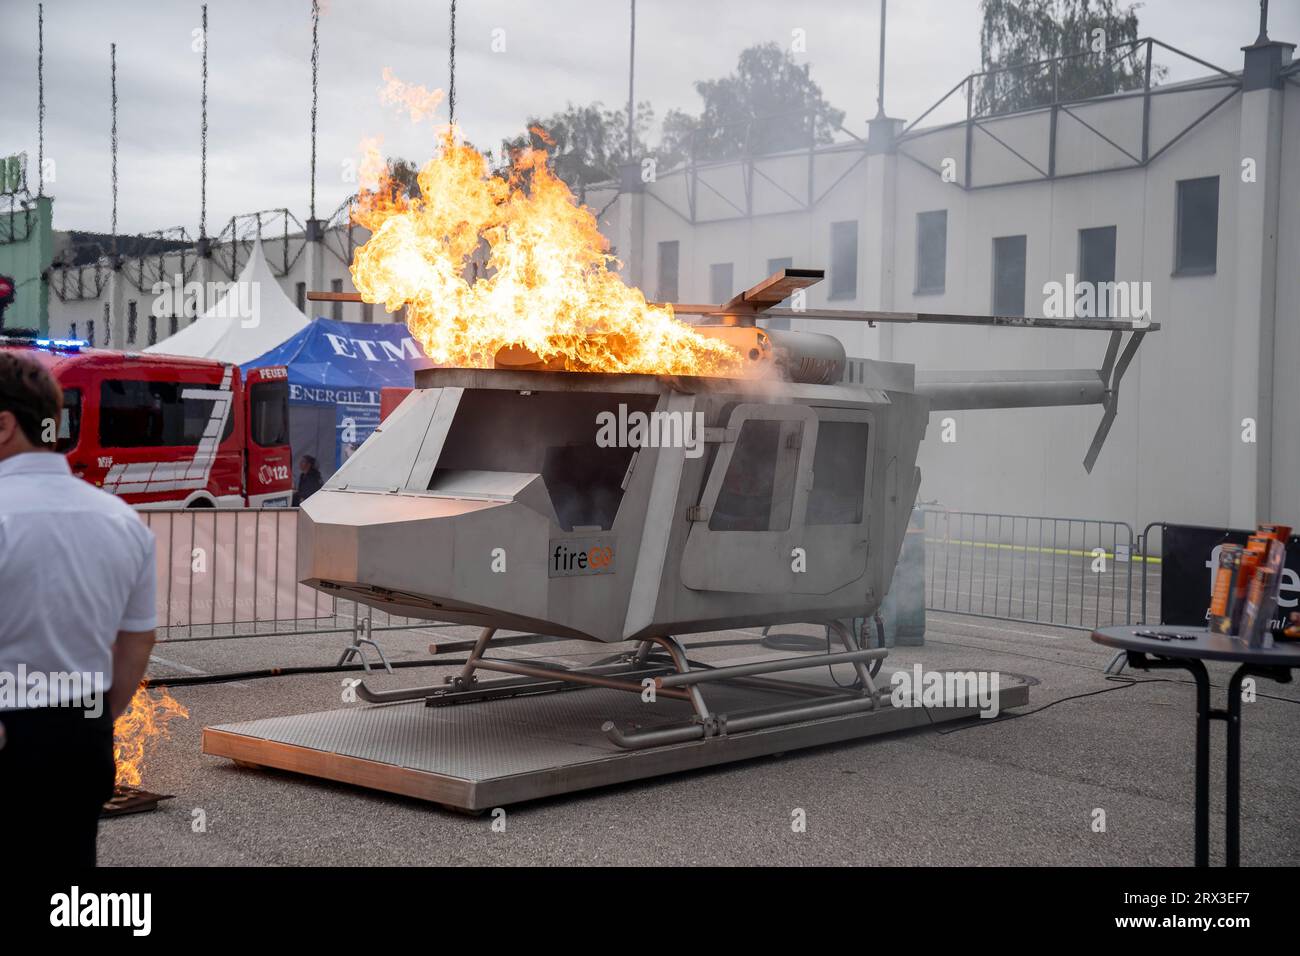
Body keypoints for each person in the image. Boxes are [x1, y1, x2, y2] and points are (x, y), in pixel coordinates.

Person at [0, 350, 157, 867]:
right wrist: (98, 717)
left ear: (4, 426)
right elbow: (137, 641)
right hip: (81, 733)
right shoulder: (122, 521)